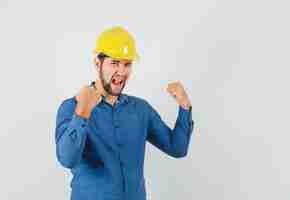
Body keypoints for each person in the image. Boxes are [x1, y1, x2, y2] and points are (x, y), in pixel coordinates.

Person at [54, 26, 194, 200]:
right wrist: (82, 113)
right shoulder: (71, 108)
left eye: (127, 64)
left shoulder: (140, 109)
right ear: (98, 64)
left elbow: (177, 148)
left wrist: (185, 107)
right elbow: (67, 159)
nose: (121, 71)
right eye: (114, 63)